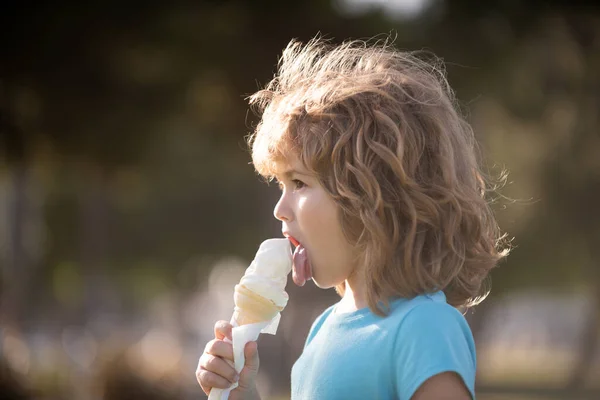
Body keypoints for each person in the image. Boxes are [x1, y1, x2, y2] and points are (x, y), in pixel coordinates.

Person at [196, 35, 510, 400]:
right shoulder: (323, 329)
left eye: (298, 182)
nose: (279, 209)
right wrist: (240, 394)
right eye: (280, 184)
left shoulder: (423, 328)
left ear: (371, 197)